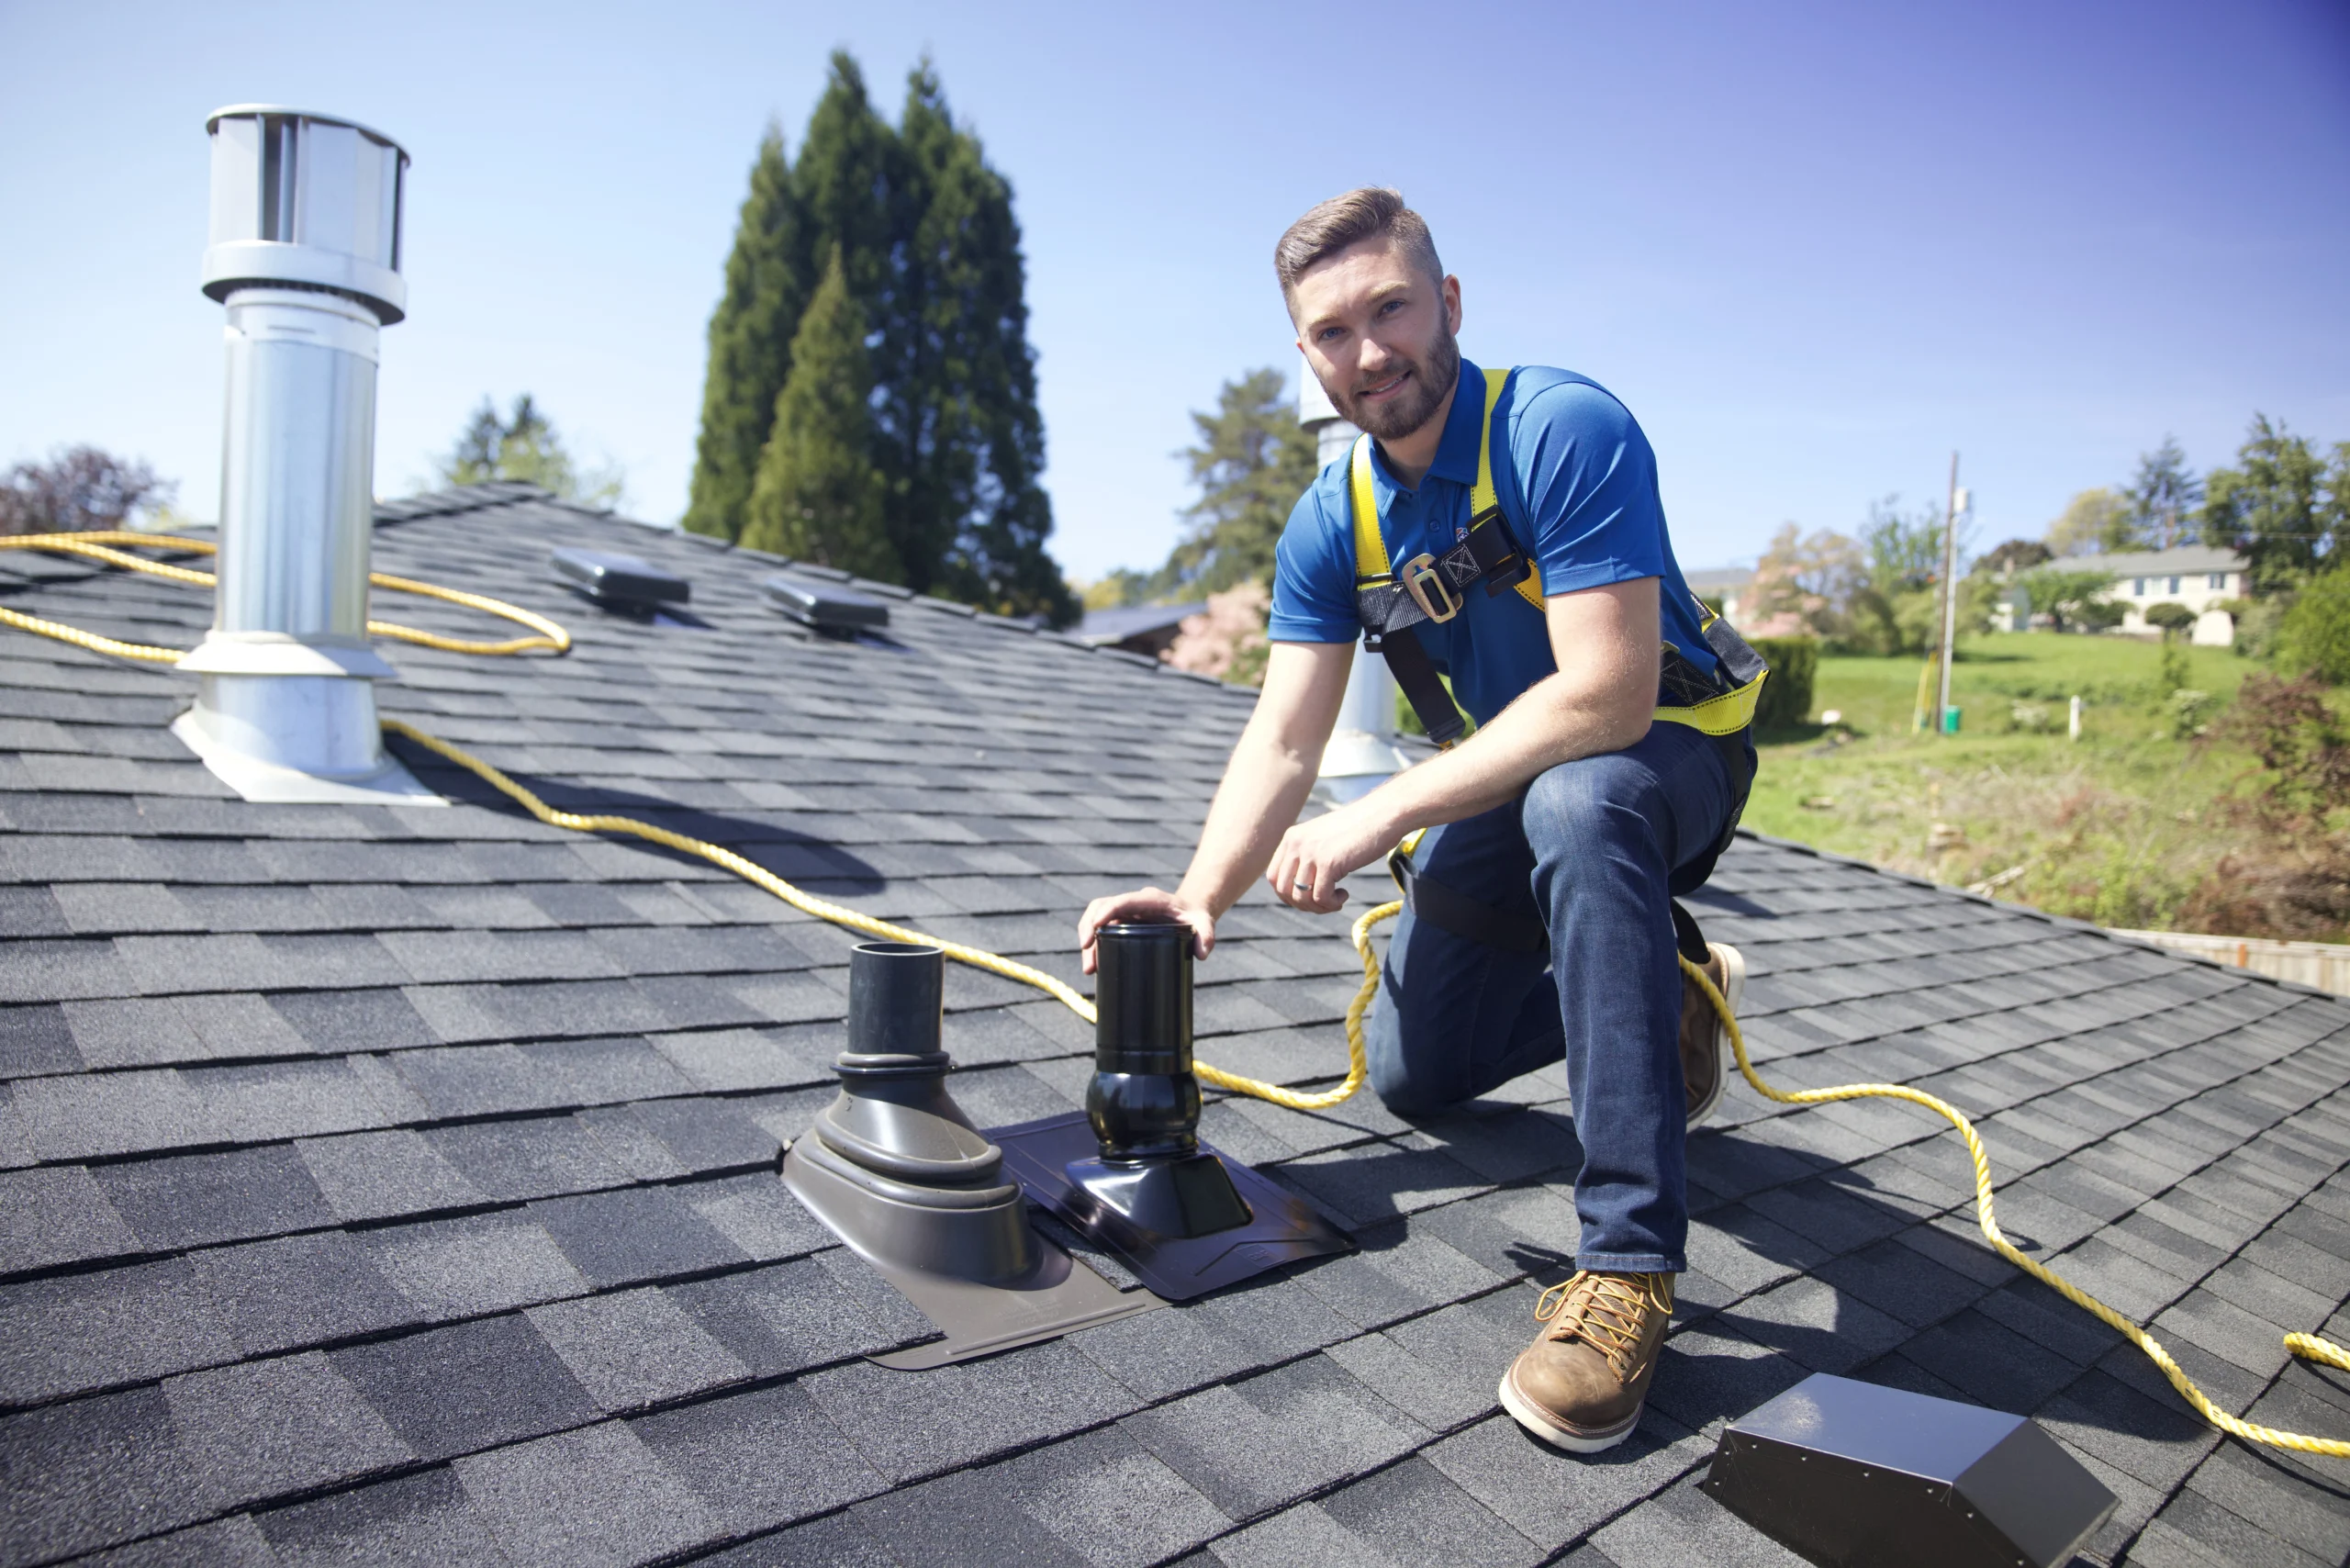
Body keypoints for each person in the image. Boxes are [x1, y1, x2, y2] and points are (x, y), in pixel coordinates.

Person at [1077, 187, 1759, 1456]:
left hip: (1663, 754)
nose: (1369, 350)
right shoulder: (1334, 519)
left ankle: (1626, 1268)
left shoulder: (1559, 427)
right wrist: (1198, 896)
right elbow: (1283, 735)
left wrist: (1375, 814)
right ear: (1305, 357)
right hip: (1513, 770)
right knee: (1420, 1074)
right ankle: (1673, 986)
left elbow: (1607, 698)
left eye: (1390, 307)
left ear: (1448, 304)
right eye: (1333, 331)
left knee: (1584, 794)